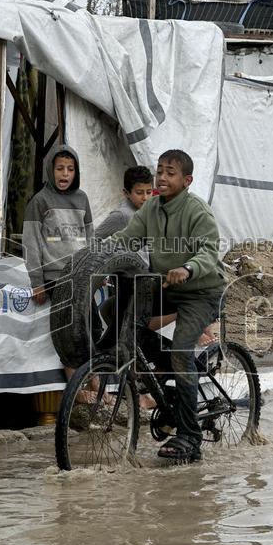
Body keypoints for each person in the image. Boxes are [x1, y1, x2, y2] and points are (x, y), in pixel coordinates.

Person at [110, 149, 225, 463]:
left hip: (201, 292)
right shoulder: (151, 207)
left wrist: (187, 268)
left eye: (170, 173)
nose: (161, 177)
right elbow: (126, 238)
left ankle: (190, 437)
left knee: (181, 351)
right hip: (166, 287)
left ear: (187, 181)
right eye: (159, 170)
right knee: (116, 314)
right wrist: (93, 253)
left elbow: (208, 252)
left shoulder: (198, 211)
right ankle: (173, 380)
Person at [22, 145, 93, 306]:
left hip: (81, 274)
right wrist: (37, 283)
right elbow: (31, 243)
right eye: (60, 168)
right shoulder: (40, 201)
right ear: (50, 170)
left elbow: (90, 237)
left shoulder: (82, 198)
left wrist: (95, 269)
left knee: (91, 320)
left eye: (70, 169)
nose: (65, 173)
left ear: (76, 172)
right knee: (67, 320)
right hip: (55, 278)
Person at [93, 166, 155, 240]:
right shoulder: (122, 215)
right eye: (139, 193)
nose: (145, 197)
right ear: (126, 193)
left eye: (149, 192)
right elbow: (92, 238)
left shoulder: (149, 210)